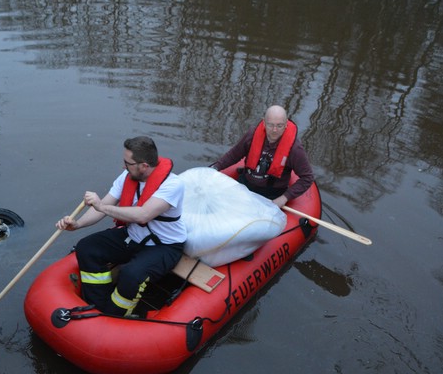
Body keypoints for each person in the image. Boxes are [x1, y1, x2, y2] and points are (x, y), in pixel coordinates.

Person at [56, 136, 187, 317]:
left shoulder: (172, 185)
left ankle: (115, 315)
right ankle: (97, 304)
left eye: (128, 163)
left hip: (164, 246)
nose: (123, 166)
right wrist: (77, 224)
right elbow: (102, 208)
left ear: (144, 166)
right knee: (87, 247)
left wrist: (101, 206)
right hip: (133, 236)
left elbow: (143, 214)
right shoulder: (127, 177)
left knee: (131, 274)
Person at [211, 105, 314, 207]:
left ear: (286, 124)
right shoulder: (252, 135)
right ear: (264, 123)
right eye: (270, 125)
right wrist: (215, 167)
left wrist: (284, 198)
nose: (274, 130)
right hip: (245, 186)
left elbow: (307, 178)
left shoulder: (295, 149)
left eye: (279, 125)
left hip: (271, 195)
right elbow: (234, 155)